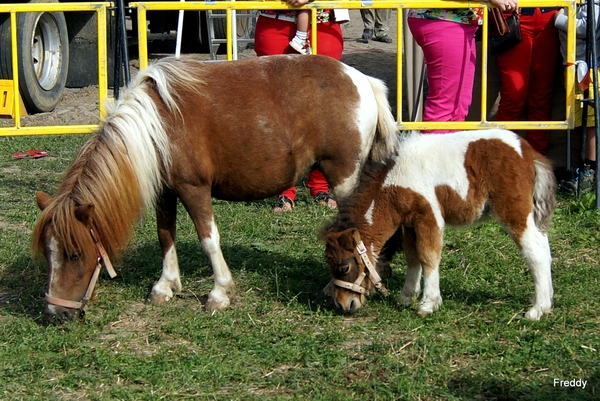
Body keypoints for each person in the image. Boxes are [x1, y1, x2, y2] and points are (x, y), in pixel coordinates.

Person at [254, 0, 347, 212]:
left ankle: (321, 186)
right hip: (275, 22)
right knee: (277, 111)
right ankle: (283, 190)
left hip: (323, 24)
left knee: (322, 111)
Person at [407, 0, 518, 134]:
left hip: (456, 21)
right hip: (443, 20)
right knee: (444, 105)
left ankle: (449, 152)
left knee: (459, 105)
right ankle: (432, 154)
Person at [494, 7, 561, 155]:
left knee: (542, 94)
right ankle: (502, 156)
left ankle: (537, 161)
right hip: (513, 16)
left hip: (551, 17)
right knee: (514, 94)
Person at [555, 5, 598, 193]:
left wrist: (559, 18)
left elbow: (586, 28)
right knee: (577, 119)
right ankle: (577, 168)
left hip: (588, 68)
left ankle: (590, 170)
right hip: (572, 66)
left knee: (590, 120)